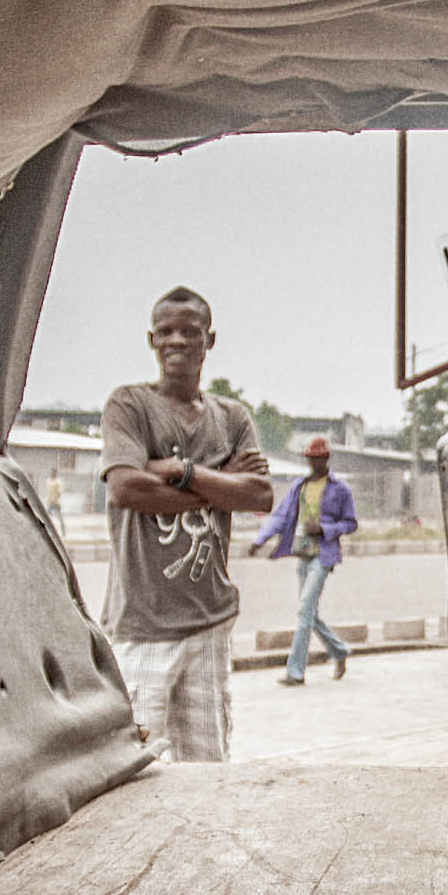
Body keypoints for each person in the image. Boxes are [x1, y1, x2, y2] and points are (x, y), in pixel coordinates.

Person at [97, 289, 270, 760]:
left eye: (190, 331)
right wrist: (220, 483)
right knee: (139, 763)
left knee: (208, 764)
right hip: (144, 623)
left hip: (209, 621)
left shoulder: (231, 417)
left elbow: (259, 495)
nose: (177, 340)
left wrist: (180, 470)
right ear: (151, 339)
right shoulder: (129, 405)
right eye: (166, 331)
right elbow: (126, 489)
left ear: (209, 340)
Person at [251, 434, 362, 685]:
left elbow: (350, 523)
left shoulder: (340, 489)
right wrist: (260, 539)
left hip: (323, 555)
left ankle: (295, 671)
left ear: (327, 459)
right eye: (311, 458)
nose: (314, 463)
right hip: (303, 552)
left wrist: (324, 528)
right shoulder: (299, 487)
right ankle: (339, 650)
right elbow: (281, 516)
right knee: (309, 612)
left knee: (304, 610)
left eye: (319, 458)